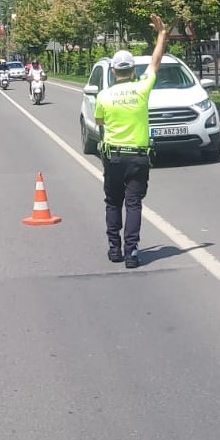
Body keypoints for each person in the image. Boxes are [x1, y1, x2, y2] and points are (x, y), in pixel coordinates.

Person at [94, 14, 169, 269]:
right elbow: (156, 61)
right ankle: (132, 251)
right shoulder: (141, 88)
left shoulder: (104, 96)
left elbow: (101, 124)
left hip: (113, 157)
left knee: (113, 202)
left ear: (114, 71)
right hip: (138, 157)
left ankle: (114, 249)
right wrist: (161, 35)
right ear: (133, 70)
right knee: (133, 203)